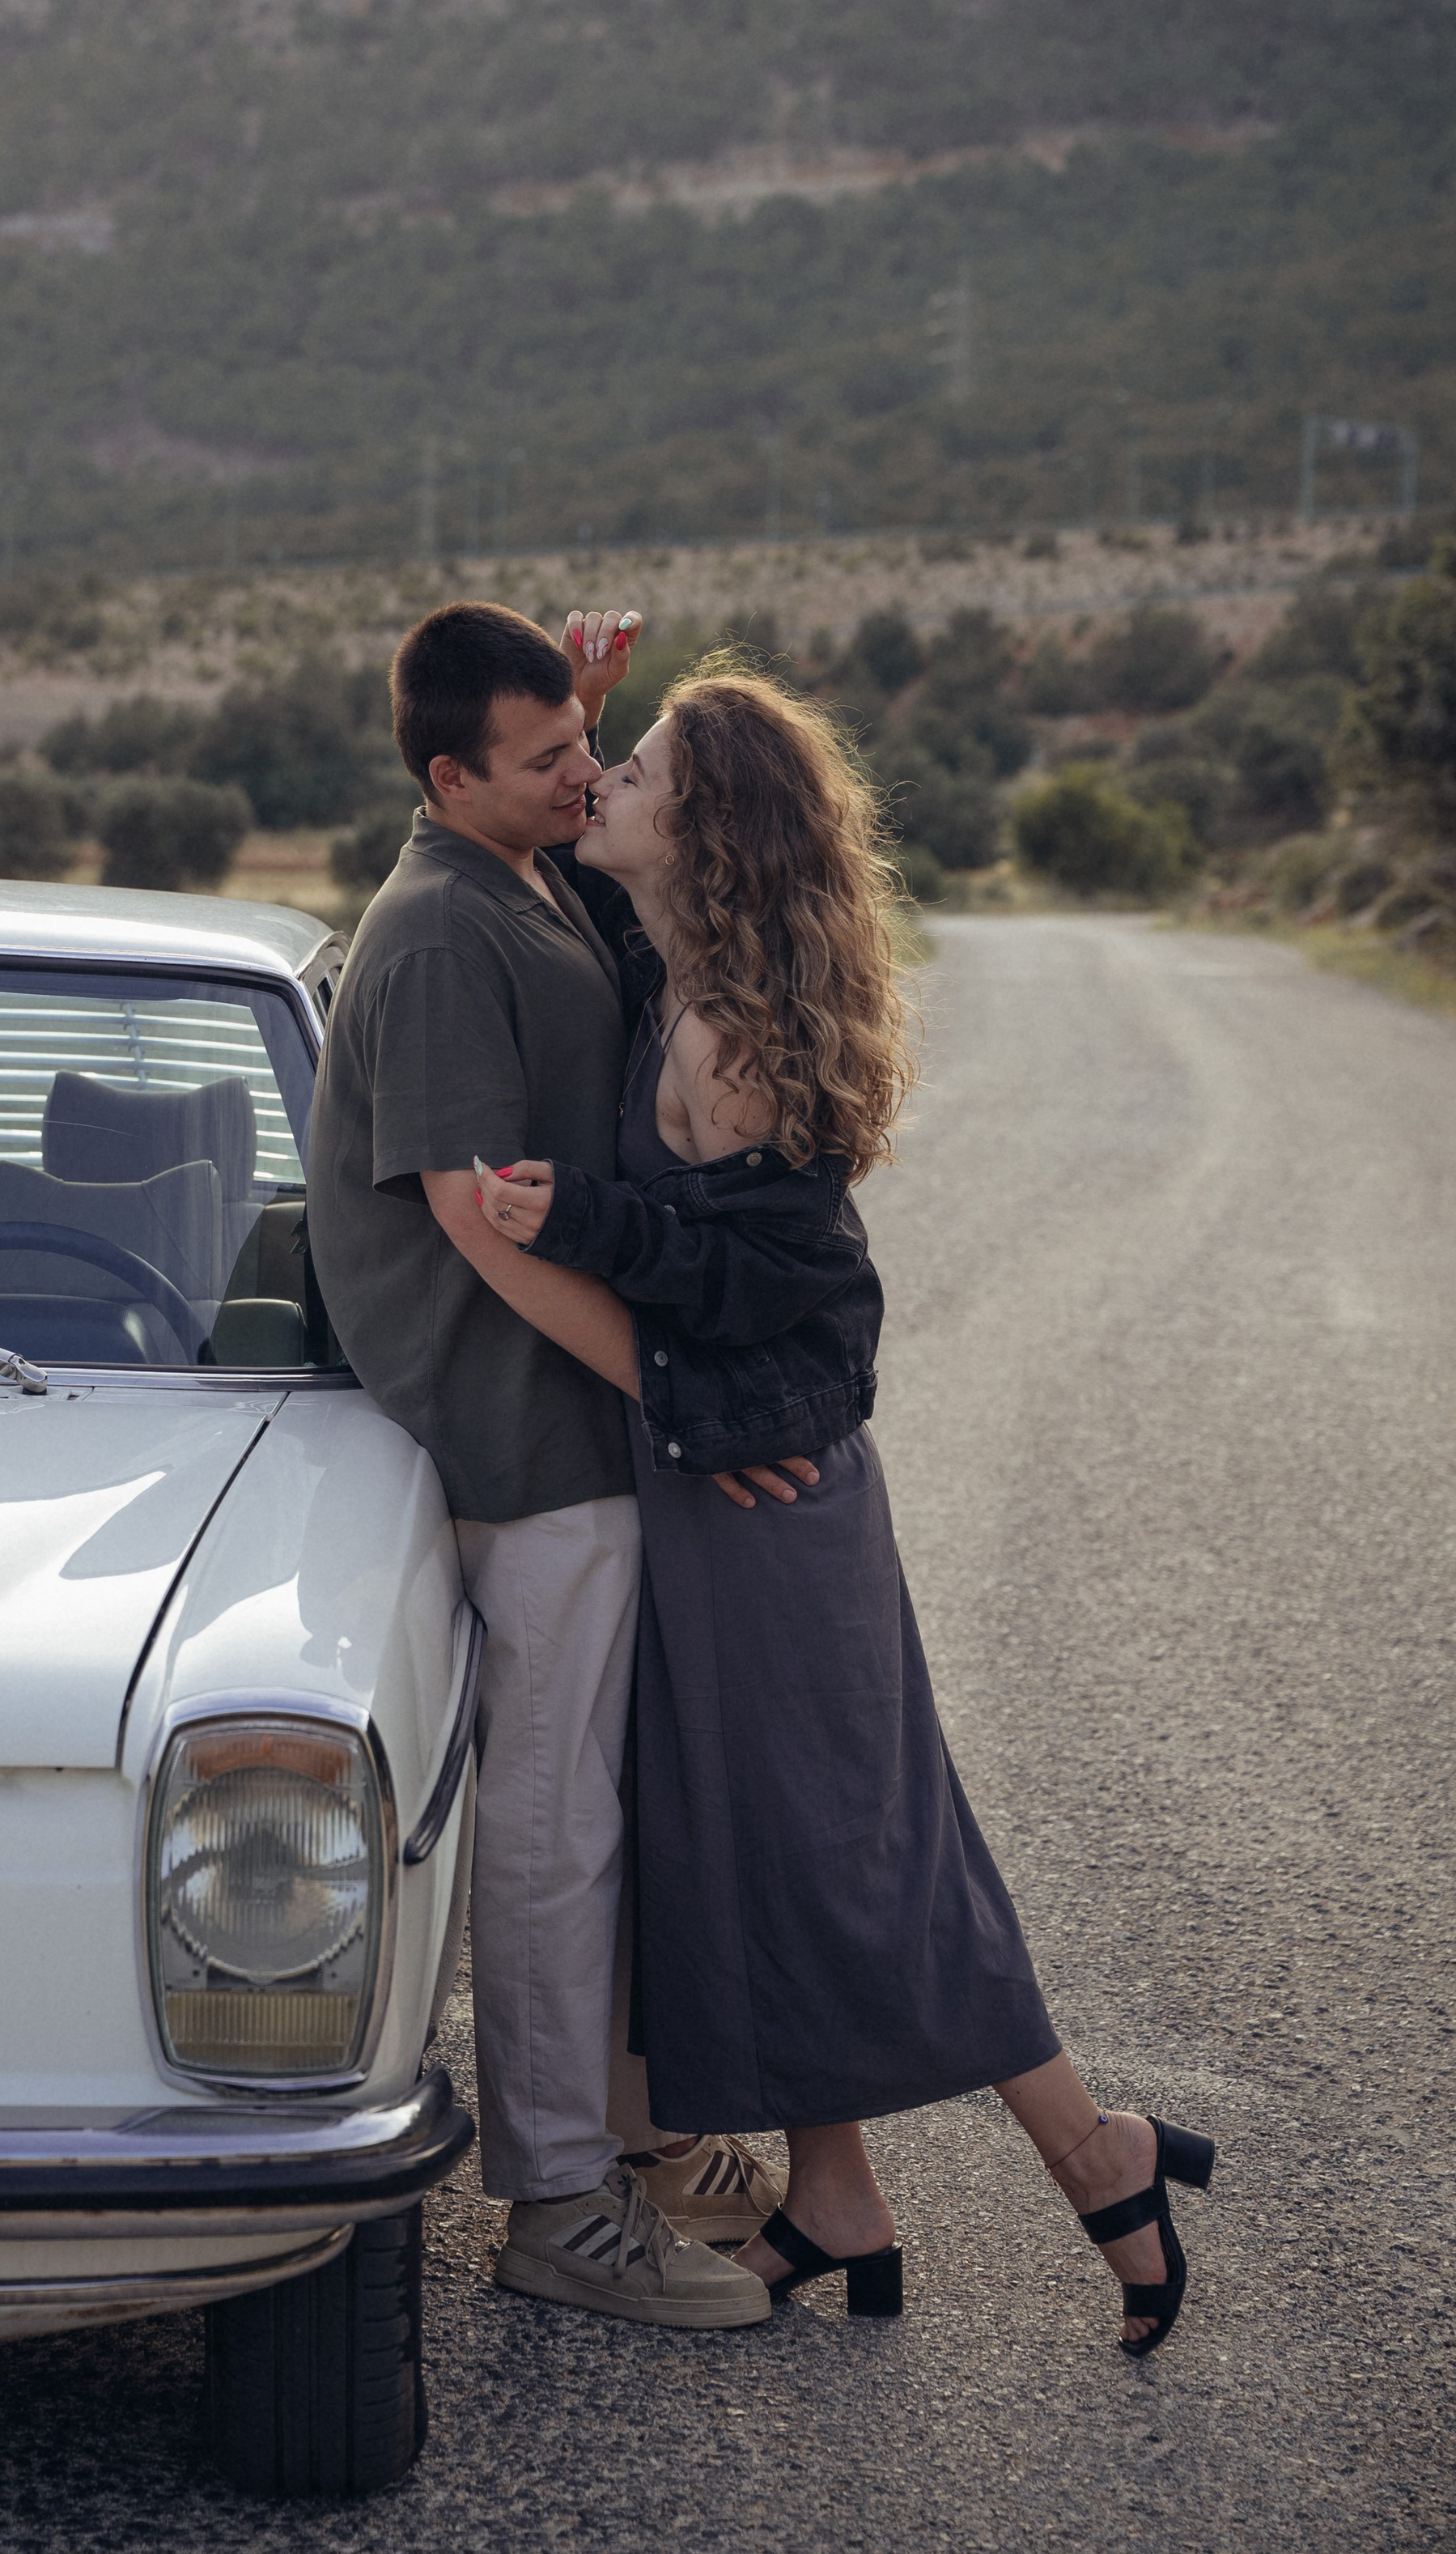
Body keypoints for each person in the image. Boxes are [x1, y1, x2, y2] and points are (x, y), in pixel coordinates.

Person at [474, 664, 1218, 2358]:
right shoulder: (665, 967)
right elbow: (512, 852)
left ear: (704, 833)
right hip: (725, 1498)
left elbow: (782, 1273)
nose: (603, 783)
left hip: (773, 1509)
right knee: (756, 1846)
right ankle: (834, 2202)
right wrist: (568, 716)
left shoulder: (725, 1037)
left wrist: (574, 1218)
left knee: (867, 1861)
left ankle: (1100, 2158)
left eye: (633, 767)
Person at [307, 602, 800, 2330]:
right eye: (545, 759)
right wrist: (681, 1392)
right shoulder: (440, 931)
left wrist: (575, 718)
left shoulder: (506, 870)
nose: (580, 771)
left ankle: (619, 2131)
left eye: (582, 743)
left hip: (574, 1415)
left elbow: (588, 857)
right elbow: (475, 1224)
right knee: (546, 1820)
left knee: (587, 1799)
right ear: (450, 779)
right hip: (522, 1428)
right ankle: (552, 2201)